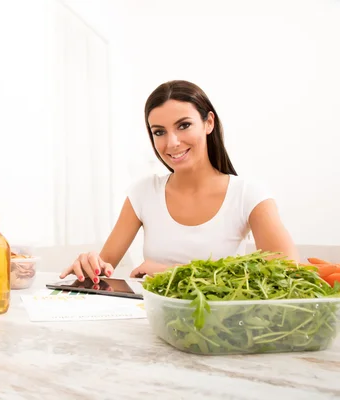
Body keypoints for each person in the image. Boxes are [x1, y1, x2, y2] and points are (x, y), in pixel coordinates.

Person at [59, 80, 299, 284]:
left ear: (209, 123)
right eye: (159, 132)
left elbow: (286, 273)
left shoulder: (248, 195)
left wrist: (175, 274)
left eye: (184, 126)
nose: (171, 142)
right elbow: (103, 270)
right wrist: (90, 266)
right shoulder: (144, 193)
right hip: (156, 324)